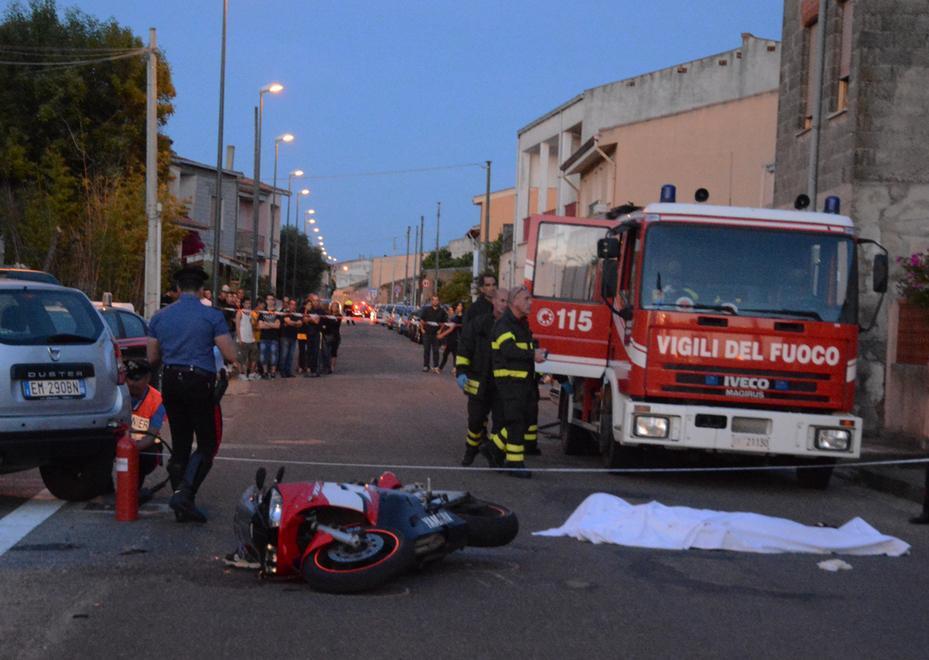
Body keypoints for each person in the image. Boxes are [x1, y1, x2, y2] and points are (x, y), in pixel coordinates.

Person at [147, 266, 237, 522]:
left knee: (181, 443)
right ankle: (185, 495)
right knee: (206, 444)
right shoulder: (211, 316)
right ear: (201, 290)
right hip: (199, 381)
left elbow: (152, 357)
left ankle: (181, 501)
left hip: (171, 380)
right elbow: (229, 354)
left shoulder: (159, 317)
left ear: (176, 289)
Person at [486, 286, 546, 478]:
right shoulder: (504, 324)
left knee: (525, 419)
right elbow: (508, 350)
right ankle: (514, 462)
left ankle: (494, 448)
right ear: (515, 301)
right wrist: (532, 355)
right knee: (517, 421)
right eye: (527, 299)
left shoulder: (521, 323)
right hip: (509, 381)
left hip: (523, 381)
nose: (531, 303)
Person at [456, 289, 508, 466]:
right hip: (477, 379)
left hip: (502, 383)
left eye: (508, 301)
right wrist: (462, 371)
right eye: (501, 300)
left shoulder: (513, 326)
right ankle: (470, 450)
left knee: (500, 423)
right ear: (494, 301)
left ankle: (494, 456)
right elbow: (465, 347)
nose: (504, 304)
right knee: (475, 420)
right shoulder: (479, 323)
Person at [125, 359, 166, 493]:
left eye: (137, 379)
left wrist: (127, 450)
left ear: (148, 378)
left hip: (146, 447)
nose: (131, 383)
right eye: (129, 378)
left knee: (143, 458)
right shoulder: (118, 393)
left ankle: (133, 490)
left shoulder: (157, 401)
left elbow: (150, 436)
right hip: (121, 442)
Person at [419, 295, 448, 373]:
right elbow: (421, 320)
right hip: (427, 333)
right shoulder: (426, 310)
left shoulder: (442, 311)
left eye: (436, 300)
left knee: (436, 350)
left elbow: (444, 323)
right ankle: (426, 366)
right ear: (431, 301)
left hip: (436, 334)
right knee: (426, 350)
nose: (435, 301)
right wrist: (422, 329)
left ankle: (436, 366)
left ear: (438, 301)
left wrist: (440, 330)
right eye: (433, 300)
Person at [257, 293, 281, 379]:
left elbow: (277, 326)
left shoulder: (277, 312)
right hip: (264, 337)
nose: (270, 301)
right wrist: (272, 324)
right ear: (266, 301)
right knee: (263, 355)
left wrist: (266, 323)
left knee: (274, 355)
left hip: (274, 337)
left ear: (274, 301)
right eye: (268, 299)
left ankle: (273, 372)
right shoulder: (262, 312)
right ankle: (265, 372)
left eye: (272, 299)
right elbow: (260, 326)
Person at [235, 297, 259, 380]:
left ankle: (251, 373)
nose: (248, 305)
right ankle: (241, 373)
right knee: (241, 358)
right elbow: (237, 326)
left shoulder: (251, 313)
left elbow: (253, 325)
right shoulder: (239, 312)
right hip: (242, 338)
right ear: (243, 304)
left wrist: (254, 337)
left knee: (254, 357)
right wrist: (239, 338)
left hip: (251, 338)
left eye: (249, 303)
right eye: (246, 303)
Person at [302, 294, 325, 377]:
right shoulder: (308, 310)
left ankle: (315, 370)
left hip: (316, 333)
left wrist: (309, 319)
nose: (316, 302)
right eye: (314, 300)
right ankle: (308, 369)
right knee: (308, 352)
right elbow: (304, 319)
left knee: (316, 351)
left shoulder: (320, 310)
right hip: (308, 333)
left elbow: (317, 321)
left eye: (317, 300)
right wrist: (309, 316)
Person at [438, 302, 463, 374]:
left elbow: (452, 328)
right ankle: (441, 368)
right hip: (451, 338)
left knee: (455, 354)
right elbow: (446, 325)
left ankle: (454, 368)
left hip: (457, 338)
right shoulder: (453, 318)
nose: (450, 311)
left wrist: (442, 334)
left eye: (460, 306)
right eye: (458, 306)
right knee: (446, 354)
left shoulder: (461, 317)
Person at [279, 299, 303, 378]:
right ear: (289, 305)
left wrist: (292, 323)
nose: (293, 306)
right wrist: (294, 323)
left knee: (291, 356)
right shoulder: (285, 313)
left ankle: (288, 371)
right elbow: (288, 321)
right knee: (284, 355)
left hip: (293, 336)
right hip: (285, 336)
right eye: (292, 304)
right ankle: (282, 371)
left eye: (294, 304)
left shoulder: (297, 314)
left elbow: (300, 324)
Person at [321, 301, 343, 373]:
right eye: (333, 306)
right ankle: (326, 366)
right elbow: (324, 323)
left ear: (337, 308)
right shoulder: (327, 314)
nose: (334, 308)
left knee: (333, 352)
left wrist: (329, 321)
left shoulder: (339, 315)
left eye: (336, 306)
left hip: (335, 336)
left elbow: (336, 324)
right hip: (327, 335)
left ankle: (332, 367)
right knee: (326, 352)